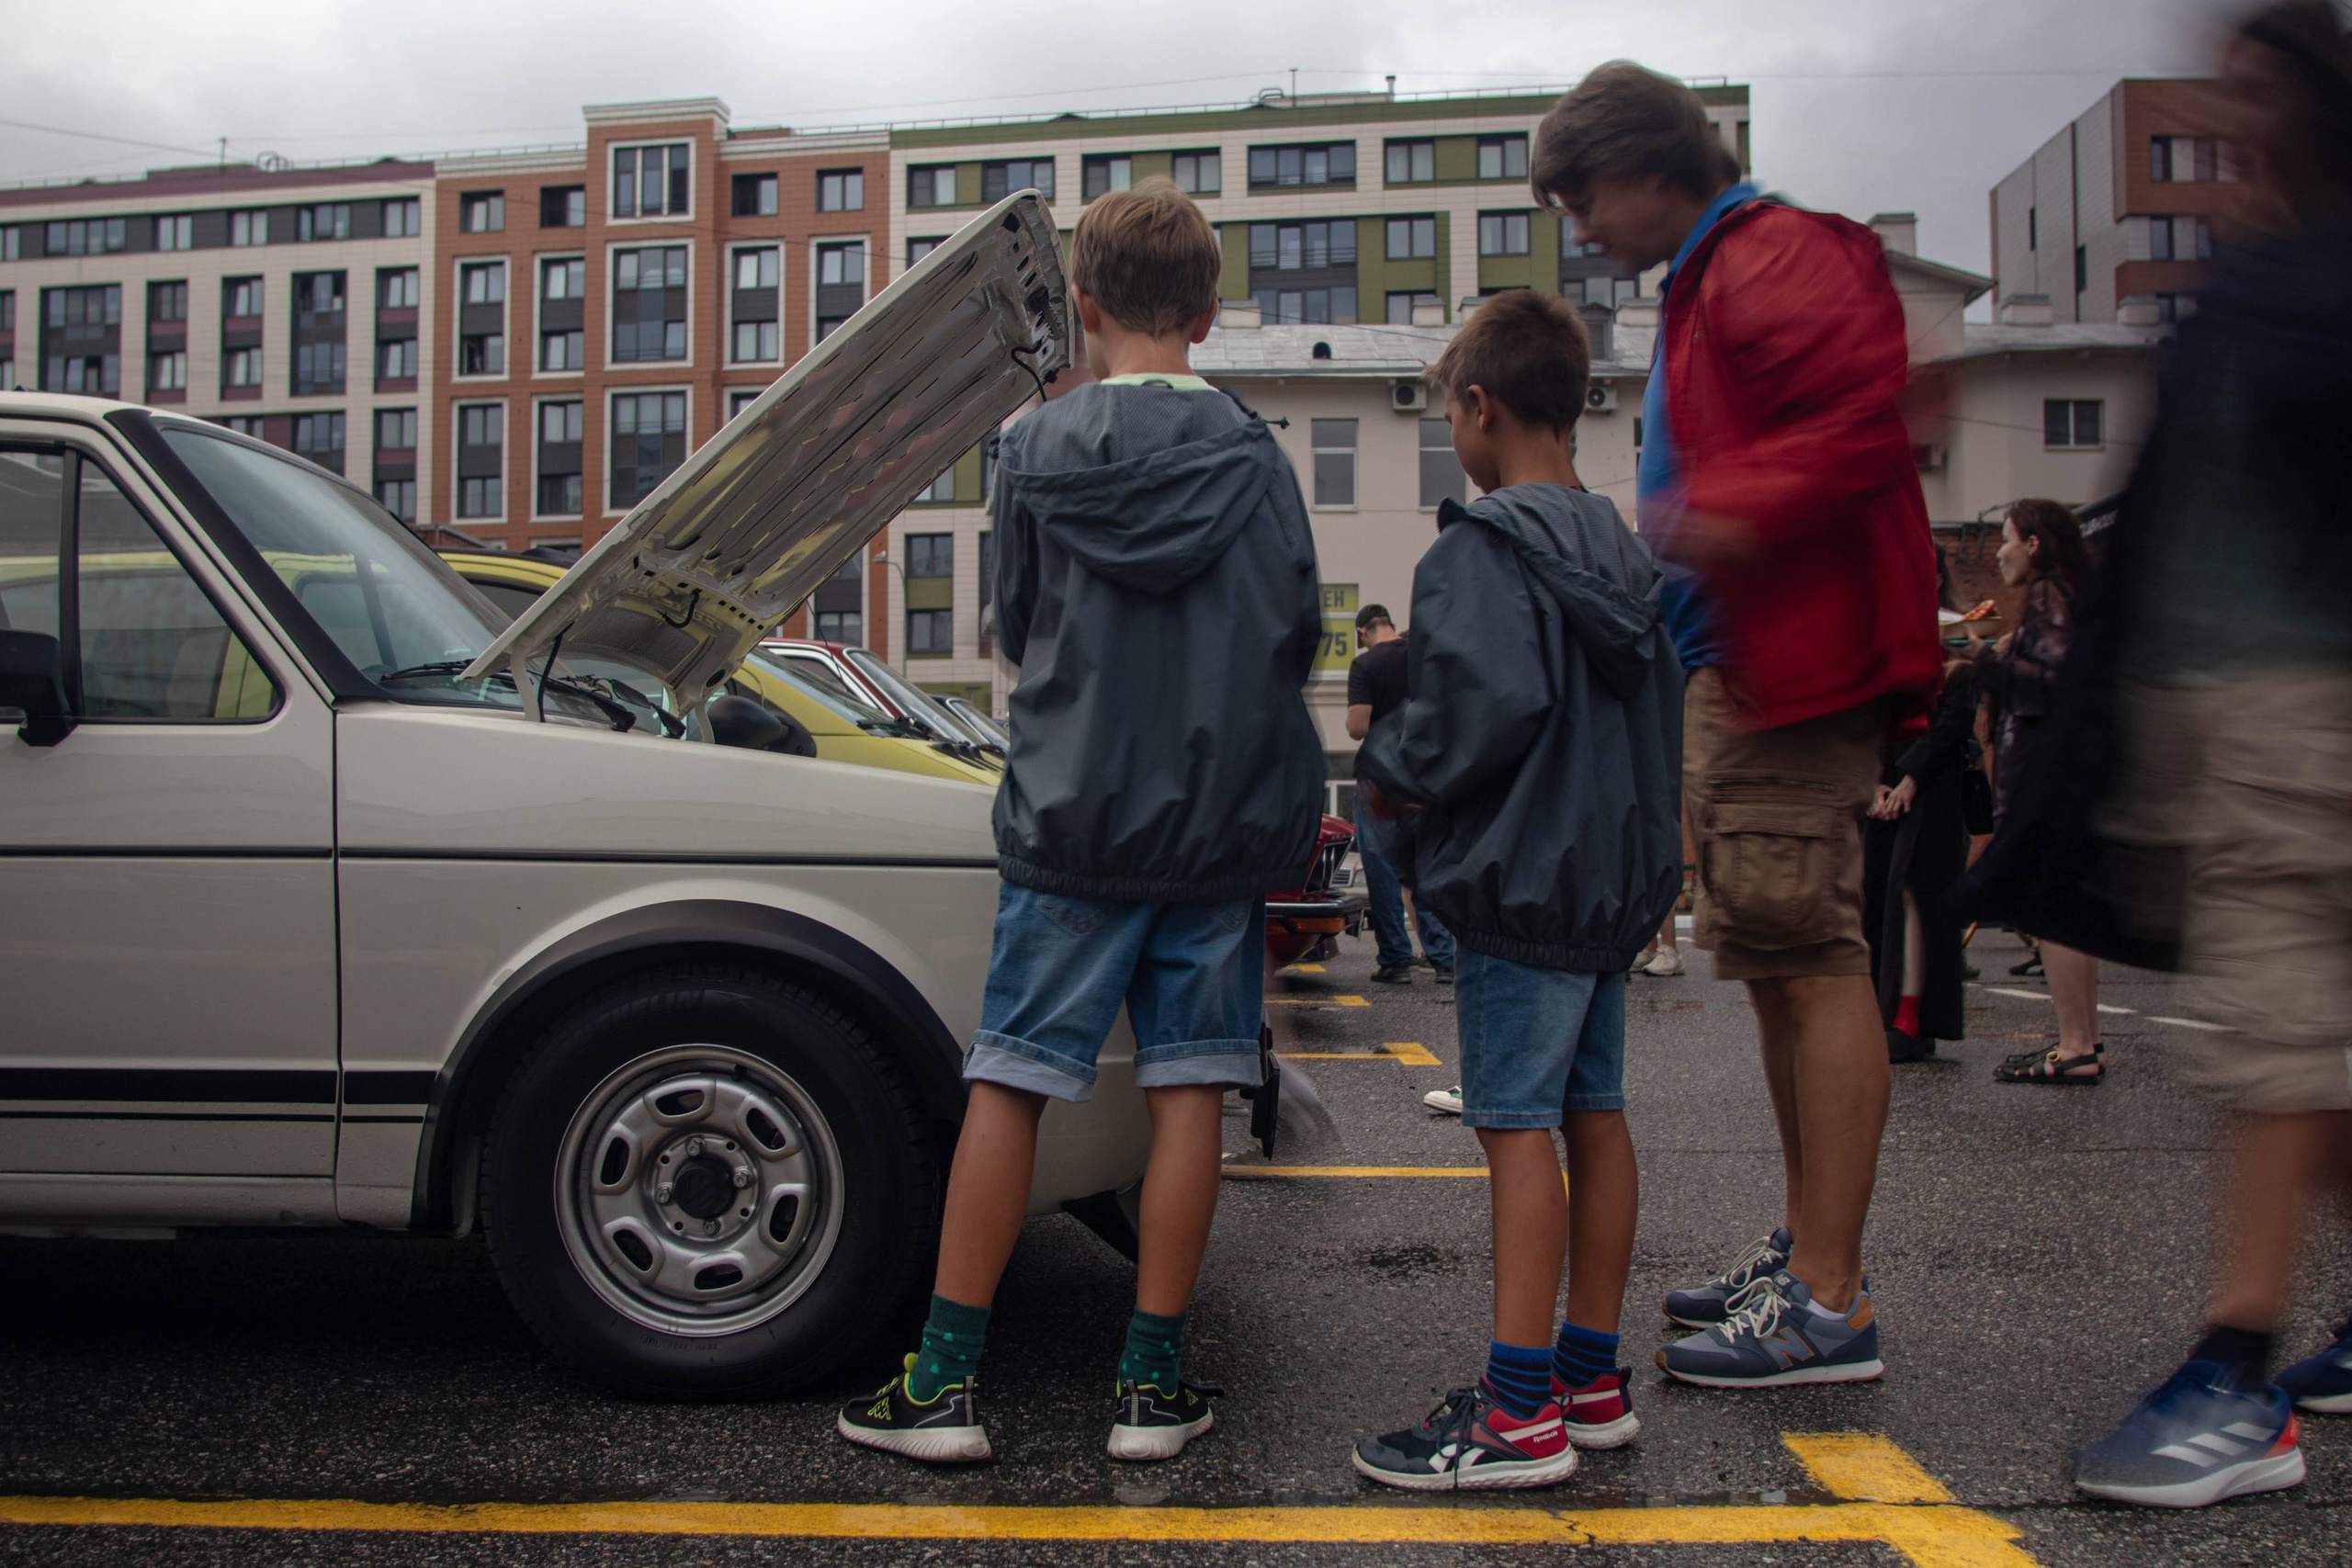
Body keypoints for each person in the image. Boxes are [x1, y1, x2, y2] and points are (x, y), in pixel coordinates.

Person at [837, 178, 1326, 1465]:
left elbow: (1014, 627)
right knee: (1188, 1094)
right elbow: (1294, 632)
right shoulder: (1259, 456)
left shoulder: (1036, 451)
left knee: (1012, 1078)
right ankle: (1150, 1392)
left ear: (1090, 306)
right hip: (1212, 831)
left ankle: (942, 1385)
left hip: (1071, 816)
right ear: (1208, 317)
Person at [1532, 60, 1941, 1386]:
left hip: (1796, 671)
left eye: (1583, 195)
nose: (1581, 227)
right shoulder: (1721, 276)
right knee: (1775, 957)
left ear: (1652, 164)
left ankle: (1831, 1294)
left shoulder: (1769, 256)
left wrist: (1727, 508)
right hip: (1753, 665)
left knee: (1812, 960)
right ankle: (1807, 1250)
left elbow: (1873, 418)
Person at [2062, 0, 2352, 1508]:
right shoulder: (2249, 283)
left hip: (2302, 705)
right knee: (2314, 1054)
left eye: (2256, 98)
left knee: (2284, 1028)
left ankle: (2238, 1371)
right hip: (2231, 704)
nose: (2227, 129)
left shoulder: (2308, 284)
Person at [1351, 289, 1683, 1489]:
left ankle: (1514, 1411)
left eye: (1453, 414)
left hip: (1520, 881)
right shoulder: (1623, 549)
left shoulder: (1482, 548)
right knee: (1596, 1116)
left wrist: (1390, 772)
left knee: (1514, 1132)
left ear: (1481, 406)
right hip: (1611, 890)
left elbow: (1478, 707)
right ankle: (1589, 1378)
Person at [1973, 501, 2104, 1086]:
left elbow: (2057, 680)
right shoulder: (2071, 592)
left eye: (2006, 539)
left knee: (2051, 909)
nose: (1999, 551)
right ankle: (2084, 1040)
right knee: (2064, 909)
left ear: (2033, 542)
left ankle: (2075, 1045)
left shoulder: (2049, 594)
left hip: (2046, 773)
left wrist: (1982, 660)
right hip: (2069, 772)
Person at [1864, 646, 1980, 1063]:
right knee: (1875, 896)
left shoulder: (1957, 664)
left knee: (1914, 895)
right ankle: (1883, 1014)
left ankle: (1910, 1019)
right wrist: (1872, 782)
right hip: (1881, 789)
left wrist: (1911, 779)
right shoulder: (1882, 648)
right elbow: (1867, 719)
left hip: (1933, 791)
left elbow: (1951, 724)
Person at [1347, 603, 1455, 985]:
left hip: (1380, 779)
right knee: (1426, 867)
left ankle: (1395, 960)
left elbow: (1358, 727)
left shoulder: (1366, 665)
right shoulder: (1421, 656)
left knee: (1381, 871)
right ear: (1390, 625)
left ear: (1362, 632)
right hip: (1425, 776)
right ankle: (1444, 959)